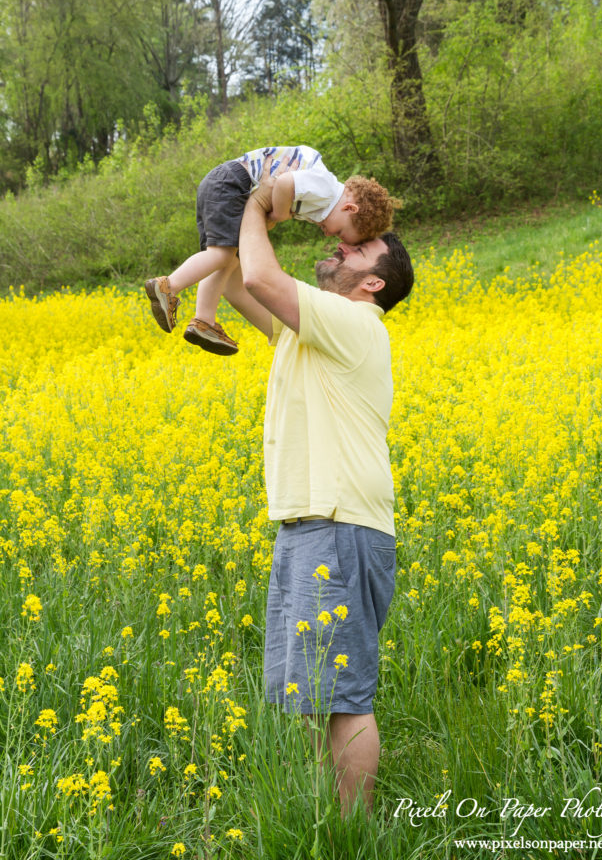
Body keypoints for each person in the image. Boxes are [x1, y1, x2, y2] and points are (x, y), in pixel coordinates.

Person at [233, 175, 414, 816]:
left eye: (356, 252)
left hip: (337, 525)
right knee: (320, 695)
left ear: (373, 283)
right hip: (313, 525)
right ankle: (332, 824)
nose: (341, 249)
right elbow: (236, 280)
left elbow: (260, 278)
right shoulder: (313, 328)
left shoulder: (354, 322)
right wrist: (249, 221)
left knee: (343, 698)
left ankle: (355, 832)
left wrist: (257, 202)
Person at [144, 145, 398, 356]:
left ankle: (204, 320)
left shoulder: (322, 198)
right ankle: (169, 286)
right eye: (341, 232)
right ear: (350, 209)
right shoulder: (325, 188)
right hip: (234, 183)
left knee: (224, 258)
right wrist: (279, 213)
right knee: (221, 255)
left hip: (226, 185)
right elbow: (285, 182)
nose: (331, 236)